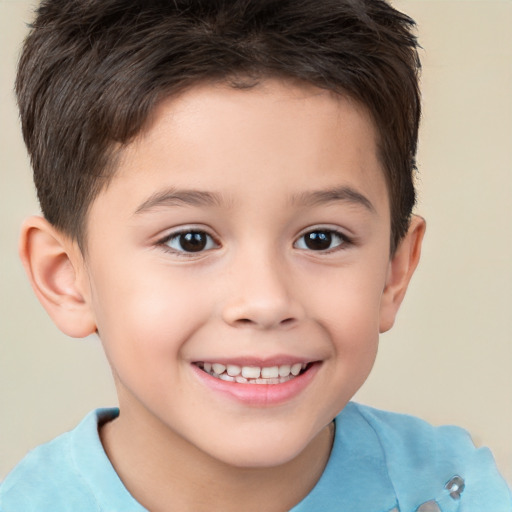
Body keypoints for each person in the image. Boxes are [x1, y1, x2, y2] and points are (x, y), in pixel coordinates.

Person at [1, 0, 510, 510]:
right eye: (190, 240)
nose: (266, 301)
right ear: (65, 276)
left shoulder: (461, 495)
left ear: (393, 272)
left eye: (321, 239)